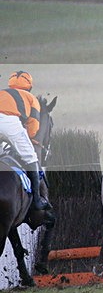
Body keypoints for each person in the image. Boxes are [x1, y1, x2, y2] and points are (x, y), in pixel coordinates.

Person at [0, 71, 51, 210]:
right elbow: (33, 127)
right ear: (29, 87)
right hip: (11, 124)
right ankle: (37, 201)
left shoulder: (2, 93)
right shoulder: (30, 98)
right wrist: (29, 138)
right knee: (31, 158)